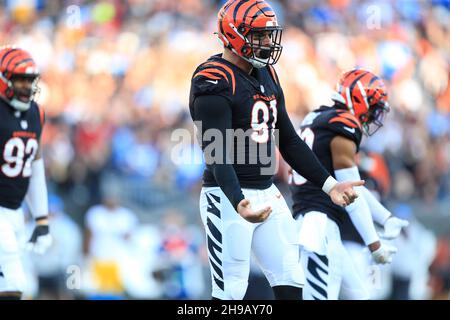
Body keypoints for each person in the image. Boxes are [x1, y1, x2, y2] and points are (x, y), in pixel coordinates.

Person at [189, 0, 363, 300]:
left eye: (269, 35)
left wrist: (329, 185)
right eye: (260, 35)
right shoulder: (214, 79)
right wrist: (238, 201)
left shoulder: (267, 73)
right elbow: (216, 152)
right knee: (230, 291)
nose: (268, 42)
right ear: (234, 35)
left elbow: (289, 140)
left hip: (268, 192)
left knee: (292, 280)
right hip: (226, 196)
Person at [289, 68, 407, 300]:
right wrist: (375, 245)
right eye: (373, 107)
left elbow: (353, 188)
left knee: (360, 293)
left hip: (317, 224)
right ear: (358, 99)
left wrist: (385, 218)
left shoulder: (317, 117)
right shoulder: (343, 124)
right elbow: (351, 195)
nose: (373, 116)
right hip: (318, 228)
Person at [0, 46, 52, 300]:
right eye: (19, 79)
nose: (25, 86)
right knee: (13, 284)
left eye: (29, 80)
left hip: (14, 211)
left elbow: (34, 166)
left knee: (19, 285)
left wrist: (41, 218)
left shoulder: (36, 113)